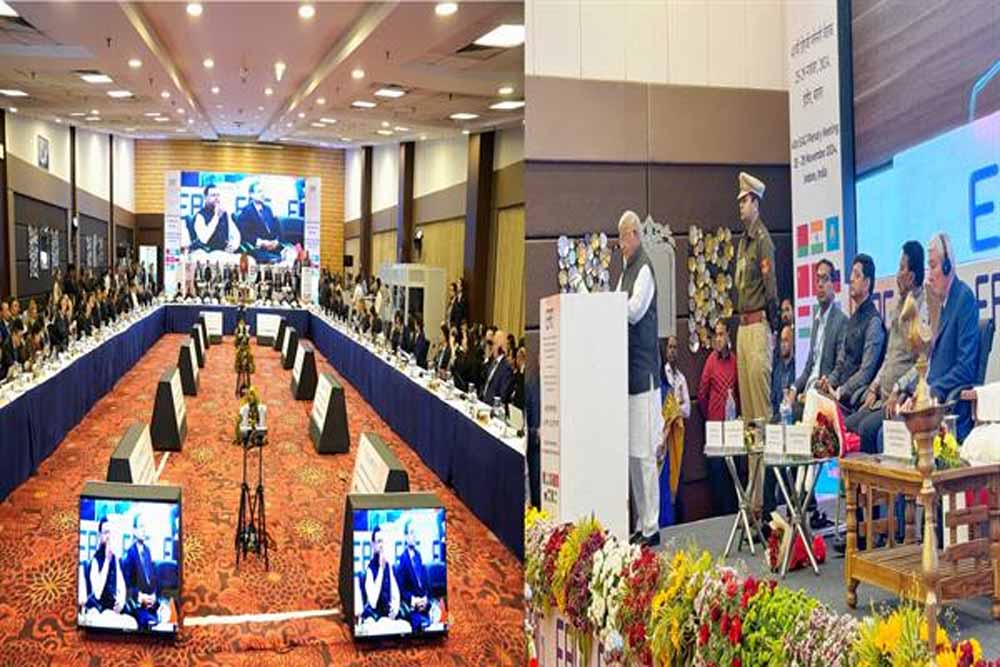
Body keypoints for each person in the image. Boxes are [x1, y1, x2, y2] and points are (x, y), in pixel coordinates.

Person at [886, 232, 979, 441]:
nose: (929, 276)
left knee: (887, 434)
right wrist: (911, 392)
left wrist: (931, 391)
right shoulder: (941, 306)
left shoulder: (963, 299)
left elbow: (965, 368)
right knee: (888, 431)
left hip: (946, 406)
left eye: (934, 266)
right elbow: (929, 364)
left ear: (947, 267)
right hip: (928, 402)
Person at [845, 241, 926, 453]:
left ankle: (872, 476)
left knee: (867, 429)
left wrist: (899, 389)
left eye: (901, 268)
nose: (897, 275)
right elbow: (889, 358)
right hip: (882, 398)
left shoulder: (922, 309)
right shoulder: (899, 306)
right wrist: (874, 387)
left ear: (912, 276)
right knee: (848, 425)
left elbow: (921, 364)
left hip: (901, 399)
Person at [616, 210, 662, 547]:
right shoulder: (625, 271)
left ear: (634, 234)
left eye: (622, 238)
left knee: (645, 455)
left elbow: (633, 311)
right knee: (632, 455)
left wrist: (612, 305)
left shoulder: (644, 268)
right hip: (627, 377)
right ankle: (639, 522)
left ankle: (652, 526)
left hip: (645, 377)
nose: (620, 244)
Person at [734, 172, 778, 425]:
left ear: (756, 203)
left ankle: (763, 454)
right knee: (748, 410)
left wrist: (773, 327)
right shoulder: (743, 242)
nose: (741, 206)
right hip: (743, 328)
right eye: (740, 201)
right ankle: (751, 454)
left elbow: (770, 288)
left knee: (760, 409)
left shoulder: (763, 240)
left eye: (745, 200)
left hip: (759, 325)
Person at [816, 253, 885, 413]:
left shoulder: (873, 322)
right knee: (810, 399)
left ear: (867, 284)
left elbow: (865, 373)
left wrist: (841, 391)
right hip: (839, 394)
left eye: (857, 275)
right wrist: (829, 382)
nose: (851, 279)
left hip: (853, 400)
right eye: (851, 274)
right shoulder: (852, 319)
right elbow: (841, 364)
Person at [787, 259, 847, 409]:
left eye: (825, 279)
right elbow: (809, 367)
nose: (820, 285)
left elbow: (840, 367)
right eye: (817, 280)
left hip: (822, 395)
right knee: (780, 414)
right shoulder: (816, 321)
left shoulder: (841, 321)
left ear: (834, 286)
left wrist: (823, 387)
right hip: (807, 393)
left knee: (791, 415)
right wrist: (794, 388)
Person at [698, 320, 740, 517]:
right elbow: (701, 394)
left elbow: (740, 392)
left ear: (728, 335)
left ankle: (734, 513)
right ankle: (720, 516)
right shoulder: (710, 361)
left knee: (733, 472)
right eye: (716, 334)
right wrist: (710, 417)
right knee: (717, 473)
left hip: (732, 428)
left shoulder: (735, 361)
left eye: (722, 334)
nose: (718, 338)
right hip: (715, 428)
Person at [660, 335, 689, 513]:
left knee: (677, 475)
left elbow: (688, 409)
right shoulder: (661, 375)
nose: (672, 351)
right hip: (663, 434)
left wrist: (675, 410)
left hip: (677, 433)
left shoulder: (681, 378)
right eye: (670, 347)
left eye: (675, 347)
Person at [121, 514, 160, 630]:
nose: (144, 530)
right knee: (150, 623)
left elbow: (152, 580)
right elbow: (127, 586)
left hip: (151, 604)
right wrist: (141, 597)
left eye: (145, 527)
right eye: (141, 526)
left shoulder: (147, 551)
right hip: (137, 606)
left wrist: (153, 596)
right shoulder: (129, 555)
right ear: (134, 531)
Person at [84, 517, 126, 616]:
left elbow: (121, 586)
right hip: (99, 609)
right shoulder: (95, 560)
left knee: (131, 622)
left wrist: (121, 602)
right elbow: (97, 593)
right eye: (106, 532)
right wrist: (107, 560)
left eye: (110, 533)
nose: (109, 536)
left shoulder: (115, 558)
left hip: (113, 609)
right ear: (100, 535)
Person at [396, 521, 431, 633]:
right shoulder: (402, 559)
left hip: (424, 604)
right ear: (406, 536)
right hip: (412, 607)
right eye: (411, 533)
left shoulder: (419, 556)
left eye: (415, 533)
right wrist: (414, 600)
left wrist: (425, 598)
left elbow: (425, 583)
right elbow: (401, 589)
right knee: (420, 626)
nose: (414, 536)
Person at [236, 182, 282, 263]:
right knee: (272, 259)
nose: (263, 194)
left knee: (291, 254)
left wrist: (276, 241)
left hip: (273, 247)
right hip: (257, 249)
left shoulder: (268, 209)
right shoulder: (246, 212)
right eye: (259, 191)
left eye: (264, 191)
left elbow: (276, 230)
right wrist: (262, 243)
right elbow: (245, 235)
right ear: (251, 195)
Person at [363, 525, 400, 622]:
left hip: (388, 617)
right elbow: (373, 602)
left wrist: (395, 610)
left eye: (383, 541)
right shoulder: (370, 569)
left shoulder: (388, 566)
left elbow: (395, 593)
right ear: (373, 545)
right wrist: (380, 569)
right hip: (375, 618)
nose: (382, 545)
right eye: (379, 541)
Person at [194, 184, 241, 253]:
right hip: (208, 253)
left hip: (225, 252)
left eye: (218, 195)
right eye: (213, 195)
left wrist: (233, 245)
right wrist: (216, 217)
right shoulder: (200, 216)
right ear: (205, 197)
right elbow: (204, 239)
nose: (216, 198)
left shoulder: (225, 213)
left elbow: (235, 234)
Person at [480, 328, 514, 405]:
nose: (492, 347)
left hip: (492, 406)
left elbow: (502, 395)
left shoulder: (506, 369)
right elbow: (484, 382)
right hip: (482, 402)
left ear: (500, 348)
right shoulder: (492, 363)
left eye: (494, 344)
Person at [770, 325, 796, 417]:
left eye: (786, 340)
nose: (783, 345)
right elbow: (772, 398)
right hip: (776, 418)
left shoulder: (797, 368)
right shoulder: (777, 368)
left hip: (791, 418)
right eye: (781, 341)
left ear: (793, 342)